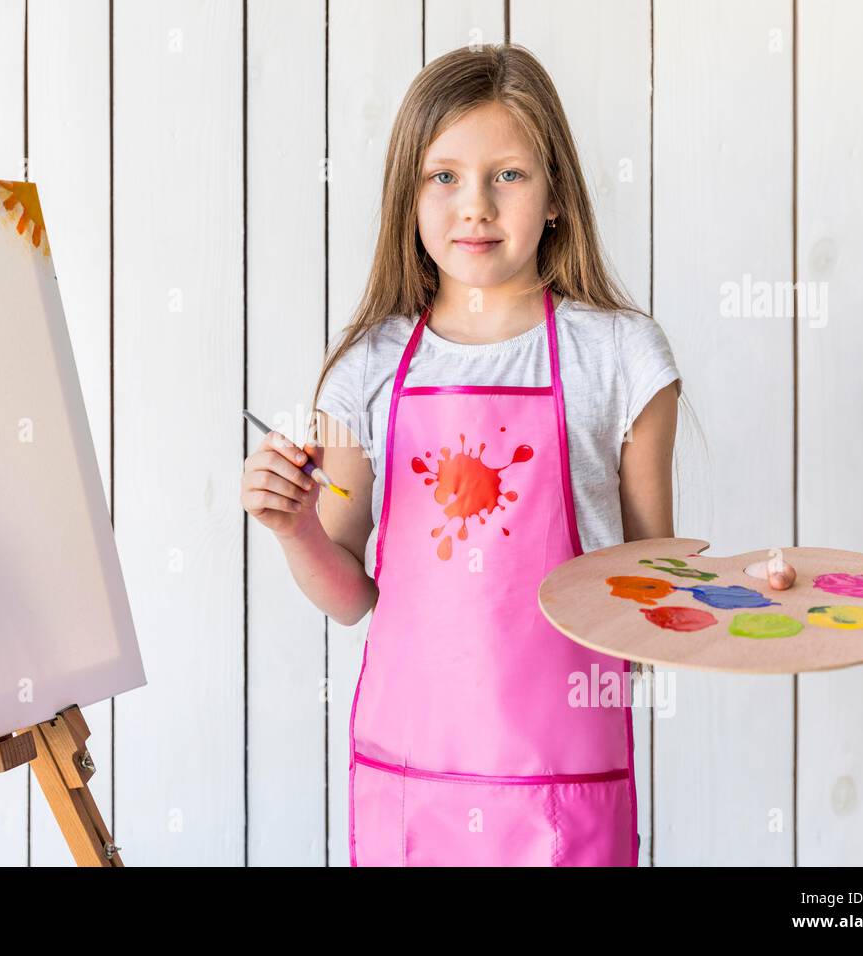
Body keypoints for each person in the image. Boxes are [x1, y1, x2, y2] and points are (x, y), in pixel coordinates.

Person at [241, 43, 685, 866]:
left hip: (568, 781)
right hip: (410, 782)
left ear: (555, 194)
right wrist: (294, 527)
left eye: (508, 175)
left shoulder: (624, 359)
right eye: (443, 176)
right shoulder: (368, 368)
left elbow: (649, 582)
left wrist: (729, 611)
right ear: (407, 197)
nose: (474, 205)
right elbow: (348, 597)